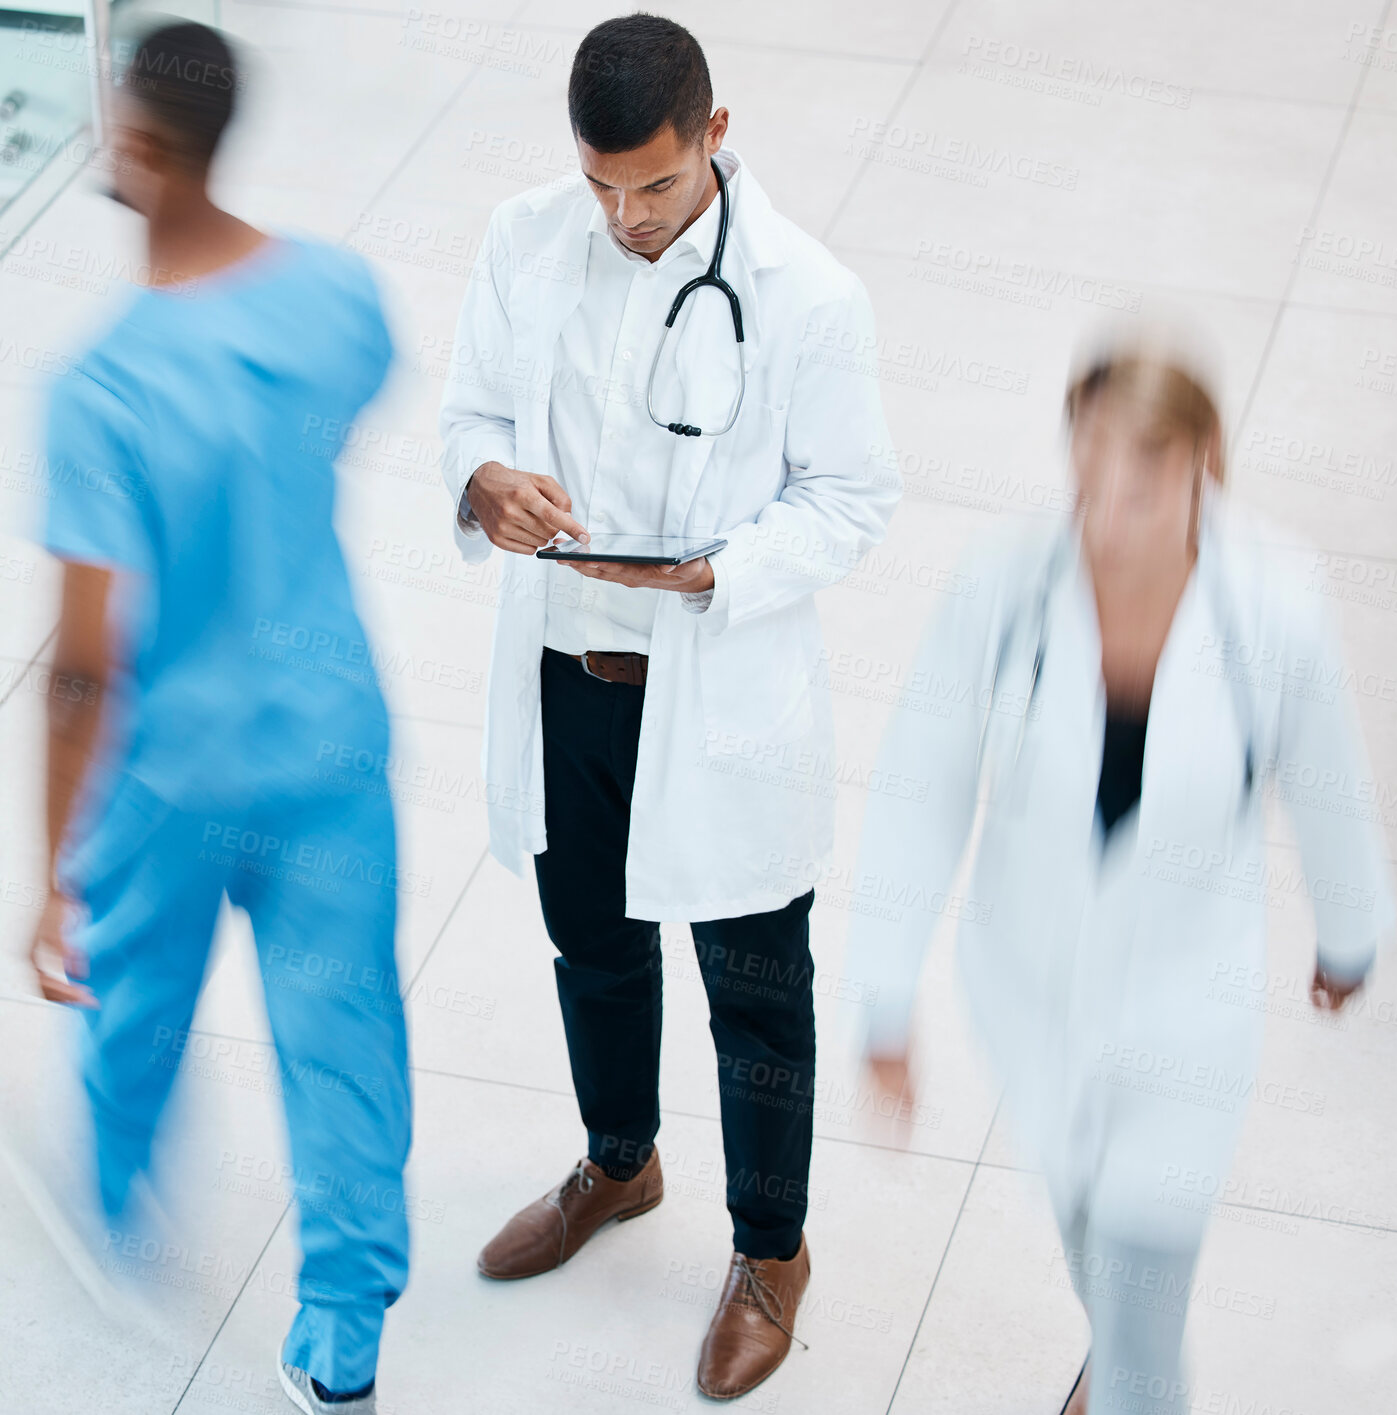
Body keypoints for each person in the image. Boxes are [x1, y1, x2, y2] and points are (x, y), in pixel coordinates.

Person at [439, 12, 898, 1400]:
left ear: (714, 133)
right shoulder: (525, 240)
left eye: (650, 184)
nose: (625, 216)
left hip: (715, 696)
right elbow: (468, 415)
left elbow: (853, 498)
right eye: (600, 187)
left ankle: (771, 1250)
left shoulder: (807, 293)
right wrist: (484, 485)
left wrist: (719, 568)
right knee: (594, 946)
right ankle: (620, 1159)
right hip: (568, 675)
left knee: (755, 992)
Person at [846, 345, 1397, 1415]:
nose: (1105, 517)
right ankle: (1120, 1347)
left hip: (1186, 1010)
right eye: (1087, 476)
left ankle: (1129, 1376)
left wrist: (1349, 932)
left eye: (1138, 487)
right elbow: (924, 783)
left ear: (1200, 465)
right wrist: (884, 992)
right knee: (1090, 1221)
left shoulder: (1272, 603)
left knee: (1143, 1301)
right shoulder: (1005, 584)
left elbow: (1329, 779)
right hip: (1030, 983)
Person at [26, 22, 409, 1415]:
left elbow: (83, 668)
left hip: (172, 778)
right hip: (328, 746)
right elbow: (339, 418)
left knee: (132, 1012)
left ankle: (119, 1209)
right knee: (344, 1039)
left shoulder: (102, 388)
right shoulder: (341, 297)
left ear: (132, 147)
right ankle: (343, 1339)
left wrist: (52, 871)